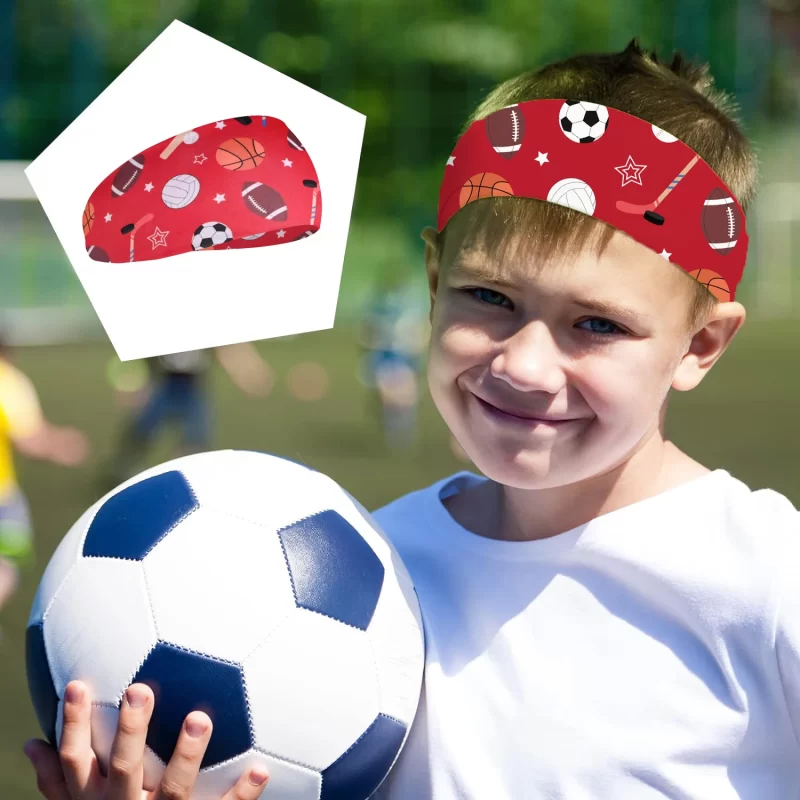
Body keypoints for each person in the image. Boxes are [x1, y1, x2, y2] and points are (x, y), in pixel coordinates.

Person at [24, 38, 800, 800]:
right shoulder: (363, 568)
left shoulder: (767, 585)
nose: (524, 366)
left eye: (596, 324)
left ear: (700, 345)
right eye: (490, 299)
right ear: (435, 284)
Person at [0, 338, 89, 626]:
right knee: (6, 565)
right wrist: (63, 446)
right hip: (3, 499)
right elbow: (29, 439)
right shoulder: (8, 382)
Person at [104, 344, 273, 485]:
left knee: (195, 439)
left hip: (192, 386)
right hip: (163, 382)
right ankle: (121, 471)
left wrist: (248, 374)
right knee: (142, 430)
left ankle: (185, 479)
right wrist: (133, 384)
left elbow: (227, 350)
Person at [358, 277, 428, 449]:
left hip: (403, 358)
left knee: (405, 397)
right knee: (390, 396)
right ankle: (393, 427)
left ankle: (402, 430)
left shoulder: (409, 311)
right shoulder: (379, 310)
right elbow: (367, 334)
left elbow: (419, 334)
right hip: (386, 358)